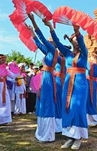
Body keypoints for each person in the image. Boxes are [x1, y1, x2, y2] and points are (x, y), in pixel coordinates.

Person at [50, 23, 88, 150]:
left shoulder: (84, 54)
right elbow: (57, 42)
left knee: (77, 108)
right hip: (67, 82)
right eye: (74, 39)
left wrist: (77, 32)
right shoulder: (67, 54)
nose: (75, 41)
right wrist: (50, 28)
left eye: (76, 39)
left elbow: (82, 45)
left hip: (80, 84)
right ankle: (70, 137)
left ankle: (78, 138)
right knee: (68, 108)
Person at [28, 14, 58, 142]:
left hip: (48, 79)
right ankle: (42, 132)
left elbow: (41, 37)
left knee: (46, 103)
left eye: (51, 37)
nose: (49, 38)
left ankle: (47, 135)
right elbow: (38, 43)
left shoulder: (52, 49)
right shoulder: (49, 51)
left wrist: (33, 20)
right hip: (46, 77)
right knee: (42, 101)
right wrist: (31, 33)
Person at [0, 54, 15, 125]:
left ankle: (4, 120)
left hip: (4, 86)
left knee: (5, 102)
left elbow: (13, 76)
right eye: (2, 59)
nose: (4, 61)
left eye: (5, 59)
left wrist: (13, 67)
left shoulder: (5, 69)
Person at [86, 49, 97, 126]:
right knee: (93, 101)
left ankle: (91, 120)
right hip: (94, 83)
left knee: (88, 100)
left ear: (93, 56)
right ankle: (94, 120)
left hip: (88, 83)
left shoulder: (89, 65)